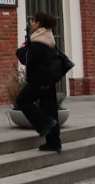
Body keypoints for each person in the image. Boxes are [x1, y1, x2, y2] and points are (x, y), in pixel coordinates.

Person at [16, 12, 63, 152]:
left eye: (33, 21)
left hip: (39, 79)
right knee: (50, 109)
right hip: (50, 79)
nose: (31, 23)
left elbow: (28, 61)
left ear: (37, 24)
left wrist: (21, 51)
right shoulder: (49, 38)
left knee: (23, 100)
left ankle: (45, 123)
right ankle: (54, 142)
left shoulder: (37, 42)